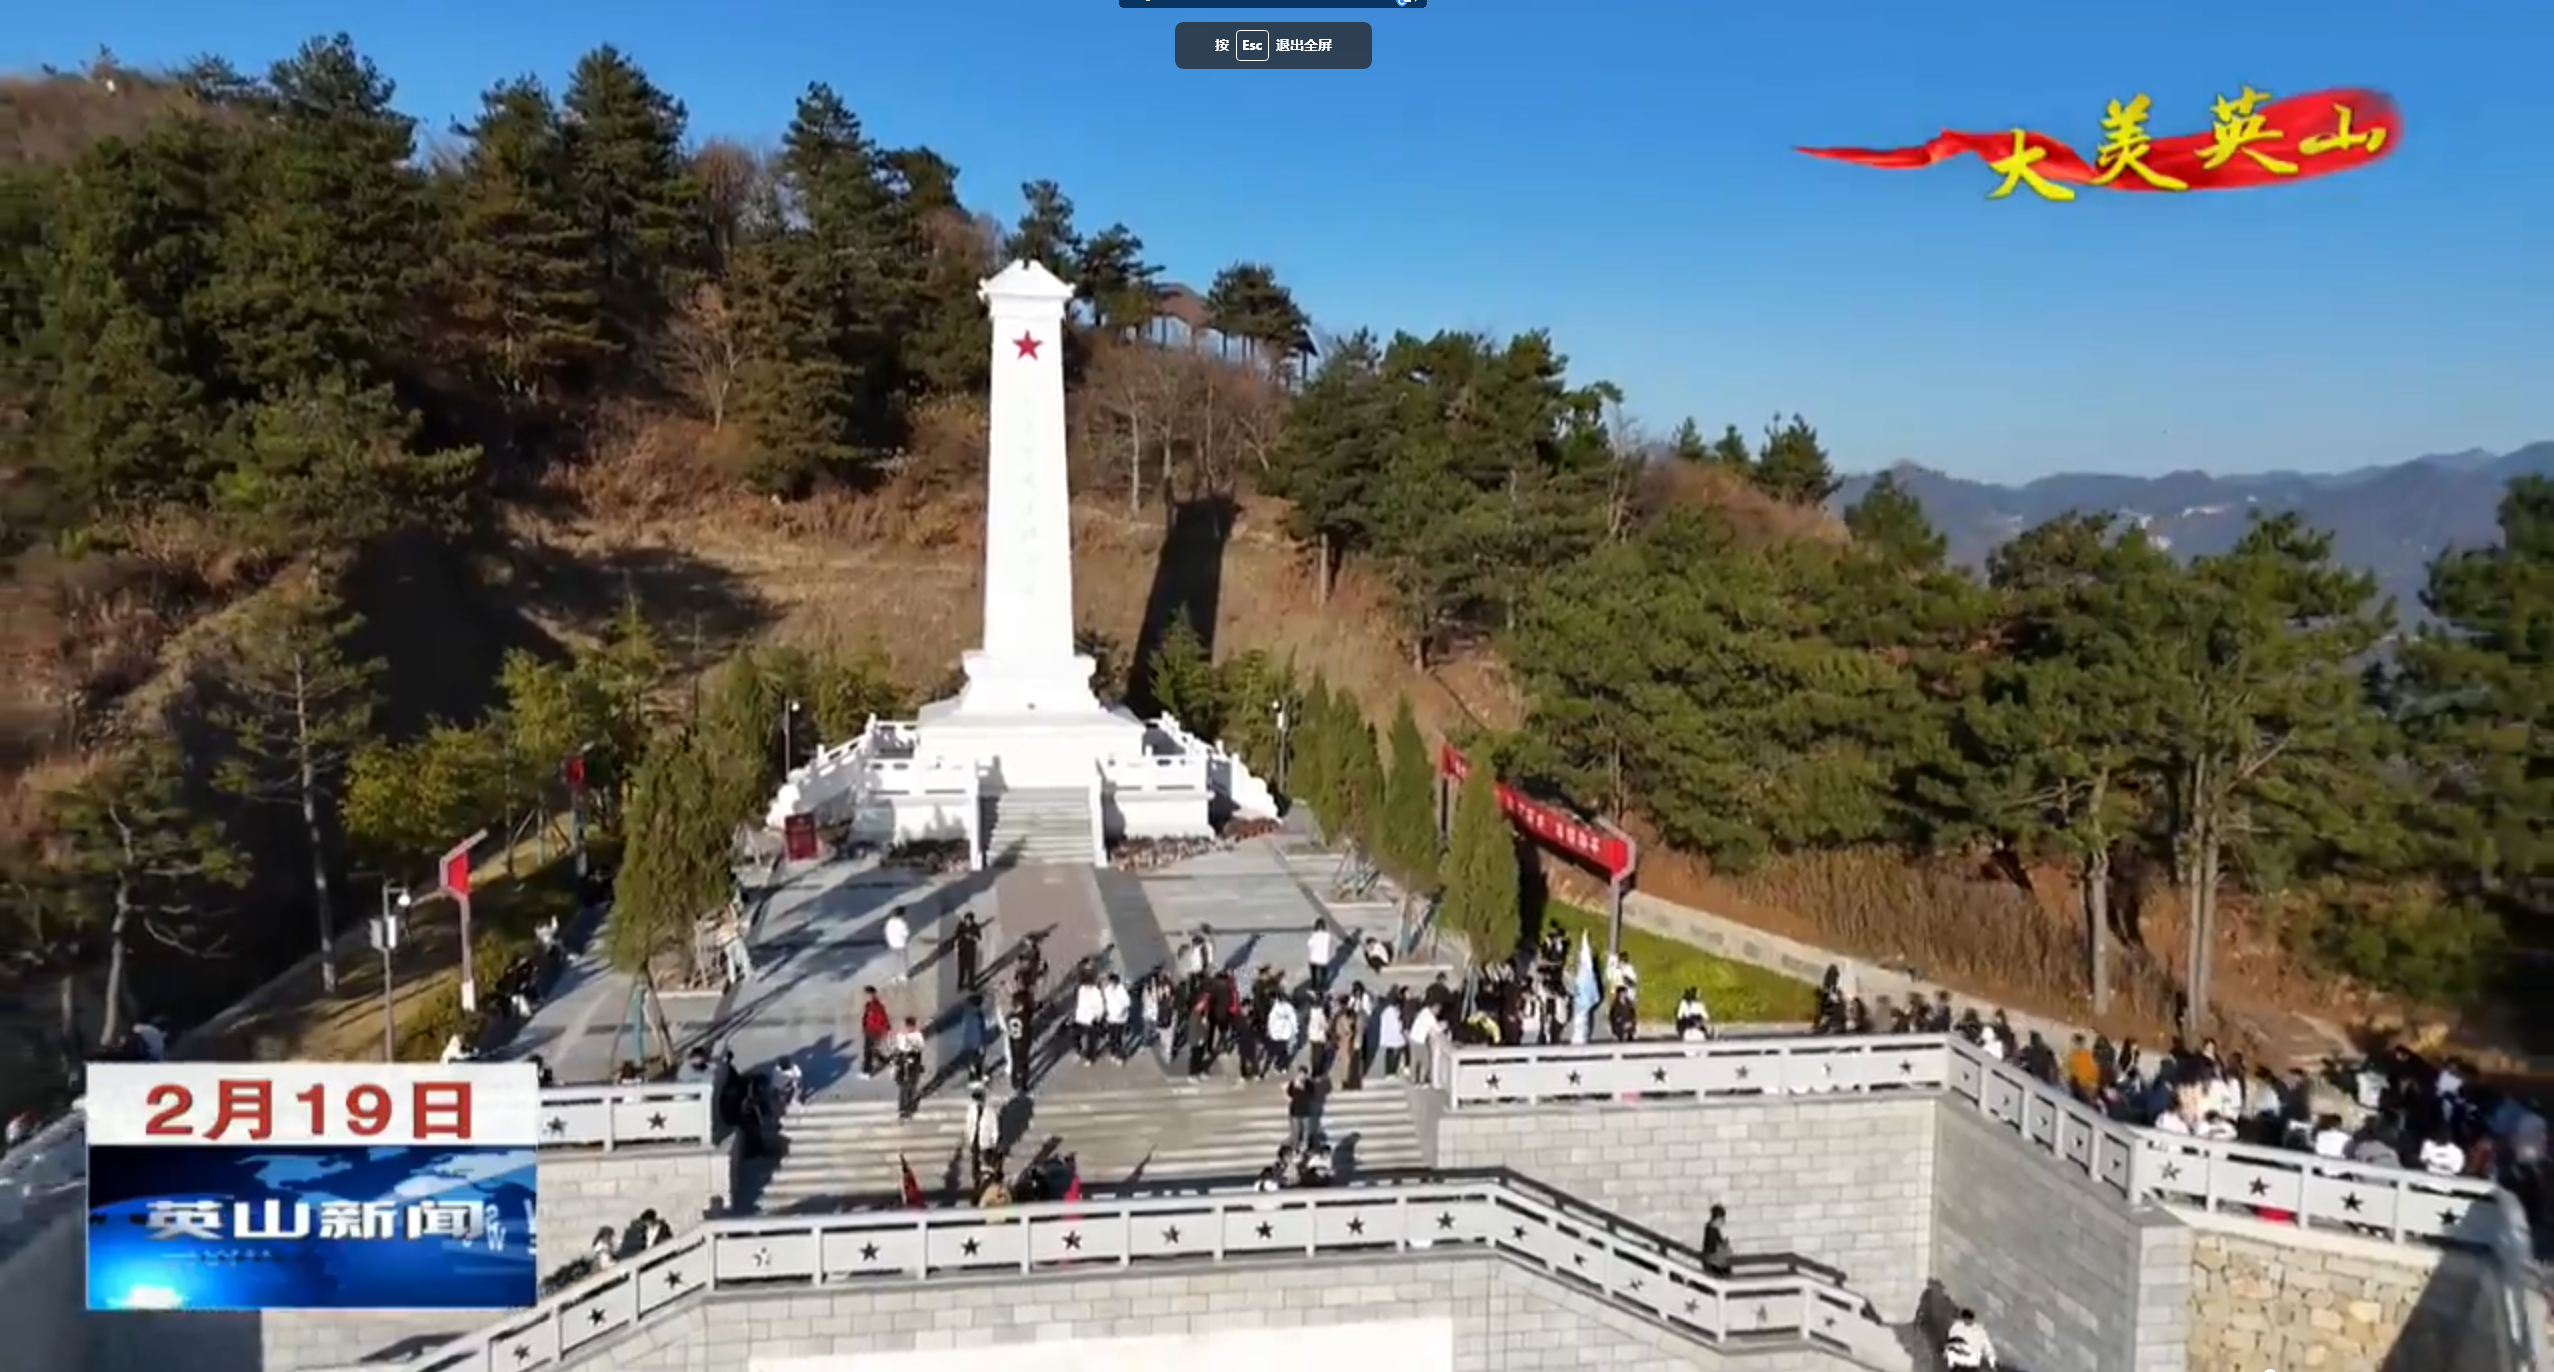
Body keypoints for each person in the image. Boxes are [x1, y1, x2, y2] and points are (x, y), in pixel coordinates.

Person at [891, 1017, 927, 1119]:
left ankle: (910, 1108)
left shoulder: (918, 1035)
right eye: (909, 1026)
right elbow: (898, 1049)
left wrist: (912, 1048)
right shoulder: (901, 1035)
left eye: (912, 1026)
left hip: (914, 1064)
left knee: (912, 1086)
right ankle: (903, 1109)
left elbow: (920, 1048)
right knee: (903, 1087)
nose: (910, 1028)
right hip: (904, 1064)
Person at [859, 987, 891, 1078]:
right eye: (865, 994)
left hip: (875, 1031)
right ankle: (884, 1061)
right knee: (873, 1050)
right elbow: (866, 1017)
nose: (866, 996)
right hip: (869, 1030)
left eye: (868, 994)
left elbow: (883, 1018)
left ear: (873, 994)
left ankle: (867, 1071)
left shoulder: (877, 1006)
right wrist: (864, 1026)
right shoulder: (868, 1005)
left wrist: (885, 1028)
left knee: (868, 1050)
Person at [953, 910, 984, 991]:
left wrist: (972, 937)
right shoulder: (961, 926)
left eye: (970, 920)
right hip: (962, 949)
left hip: (971, 950)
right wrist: (961, 937)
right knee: (961, 968)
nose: (968, 922)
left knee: (971, 968)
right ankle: (960, 984)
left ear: (972, 920)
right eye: (967, 920)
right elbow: (956, 936)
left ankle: (971, 985)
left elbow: (979, 938)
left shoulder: (975, 927)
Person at [1306, 918, 1336, 994]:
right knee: (1324, 971)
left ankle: (1314, 985)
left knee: (1313, 971)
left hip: (1314, 959)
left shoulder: (1314, 935)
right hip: (1324, 959)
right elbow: (1330, 945)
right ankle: (1323, 986)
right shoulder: (1328, 935)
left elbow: (1309, 944)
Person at [883, 907, 913, 984]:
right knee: (903, 960)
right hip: (901, 944)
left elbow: (887, 932)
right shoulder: (902, 923)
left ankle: (894, 976)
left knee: (895, 960)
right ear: (901, 915)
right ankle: (904, 975)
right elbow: (906, 933)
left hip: (892, 944)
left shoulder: (889, 922)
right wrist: (904, 939)